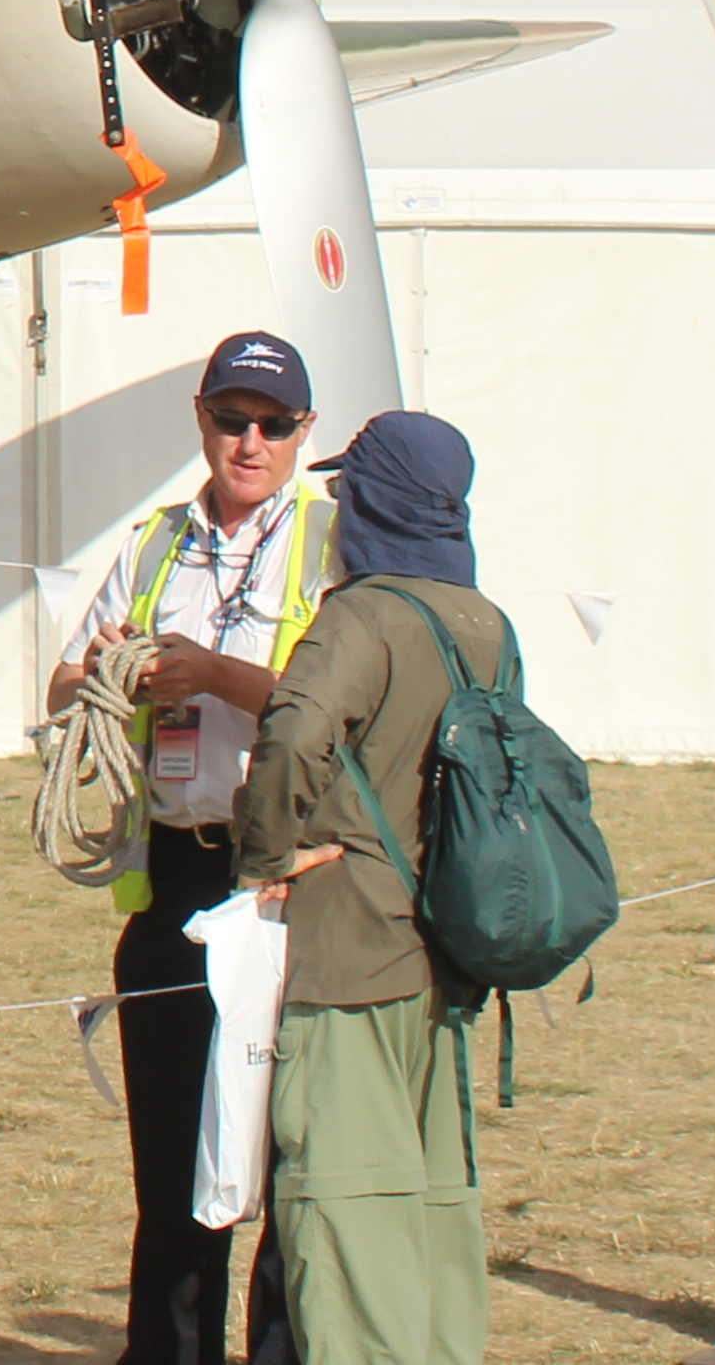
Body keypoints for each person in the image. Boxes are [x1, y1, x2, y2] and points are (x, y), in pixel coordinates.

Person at [50, 329, 340, 1365]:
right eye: (231, 419)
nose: (249, 441)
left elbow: (332, 714)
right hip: (174, 876)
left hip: (283, 884)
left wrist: (214, 676)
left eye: (271, 425)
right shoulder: (156, 542)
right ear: (202, 421)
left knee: (279, 1153)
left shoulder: (333, 539)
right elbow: (60, 686)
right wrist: (115, 671)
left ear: (305, 433)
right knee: (171, 1162)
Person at [233, 409, 511, 1365]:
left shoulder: (362, 613)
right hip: (449, 948)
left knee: (346, 1212)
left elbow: (293, 730)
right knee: (433, 1208)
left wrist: (263, 860)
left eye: (350, 492)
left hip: (351, 951)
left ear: (377, 503)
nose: (338, 509)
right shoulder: (485, 621)